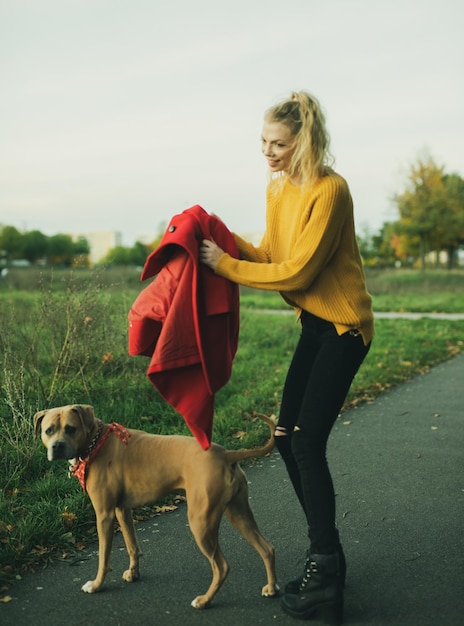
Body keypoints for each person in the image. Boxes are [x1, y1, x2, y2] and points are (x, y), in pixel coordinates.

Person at [199, 91, 374, 623]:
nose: (268, 152)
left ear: (305, 141)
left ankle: (325, 564)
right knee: (285, 438)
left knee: (306, 442)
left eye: (278, 143)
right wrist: (218, 237)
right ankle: (330, 557)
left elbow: (297, 272)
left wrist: (226, 265)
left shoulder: (330, 190)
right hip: (313, 327)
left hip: (345, 328)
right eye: (263, 142)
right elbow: (272, 255)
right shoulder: (279, 189)